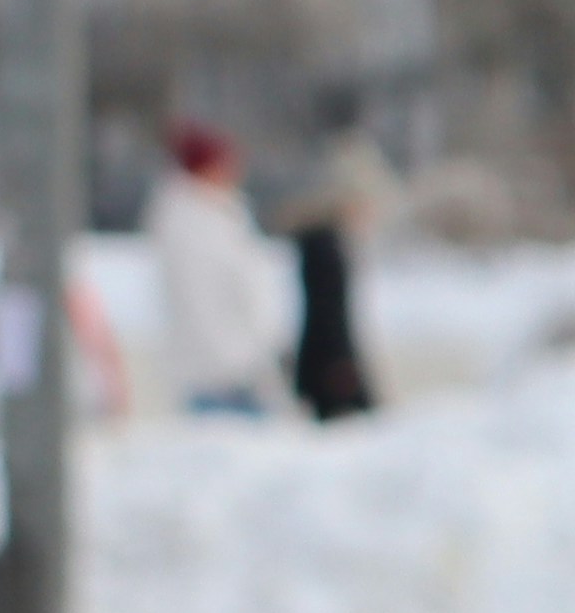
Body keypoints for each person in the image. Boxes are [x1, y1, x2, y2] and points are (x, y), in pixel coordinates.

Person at [144, 117, 276, 421]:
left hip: (238, 368)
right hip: (221, 374)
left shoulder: (217, 214)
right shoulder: (193, 221)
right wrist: (241, 353)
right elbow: (208, 301)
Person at [285, 116, 394, 425]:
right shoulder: (324, 245)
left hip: (328, 363)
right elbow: (327, 312)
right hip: (330, 367)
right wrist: (341, 366)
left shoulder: (330, 241)